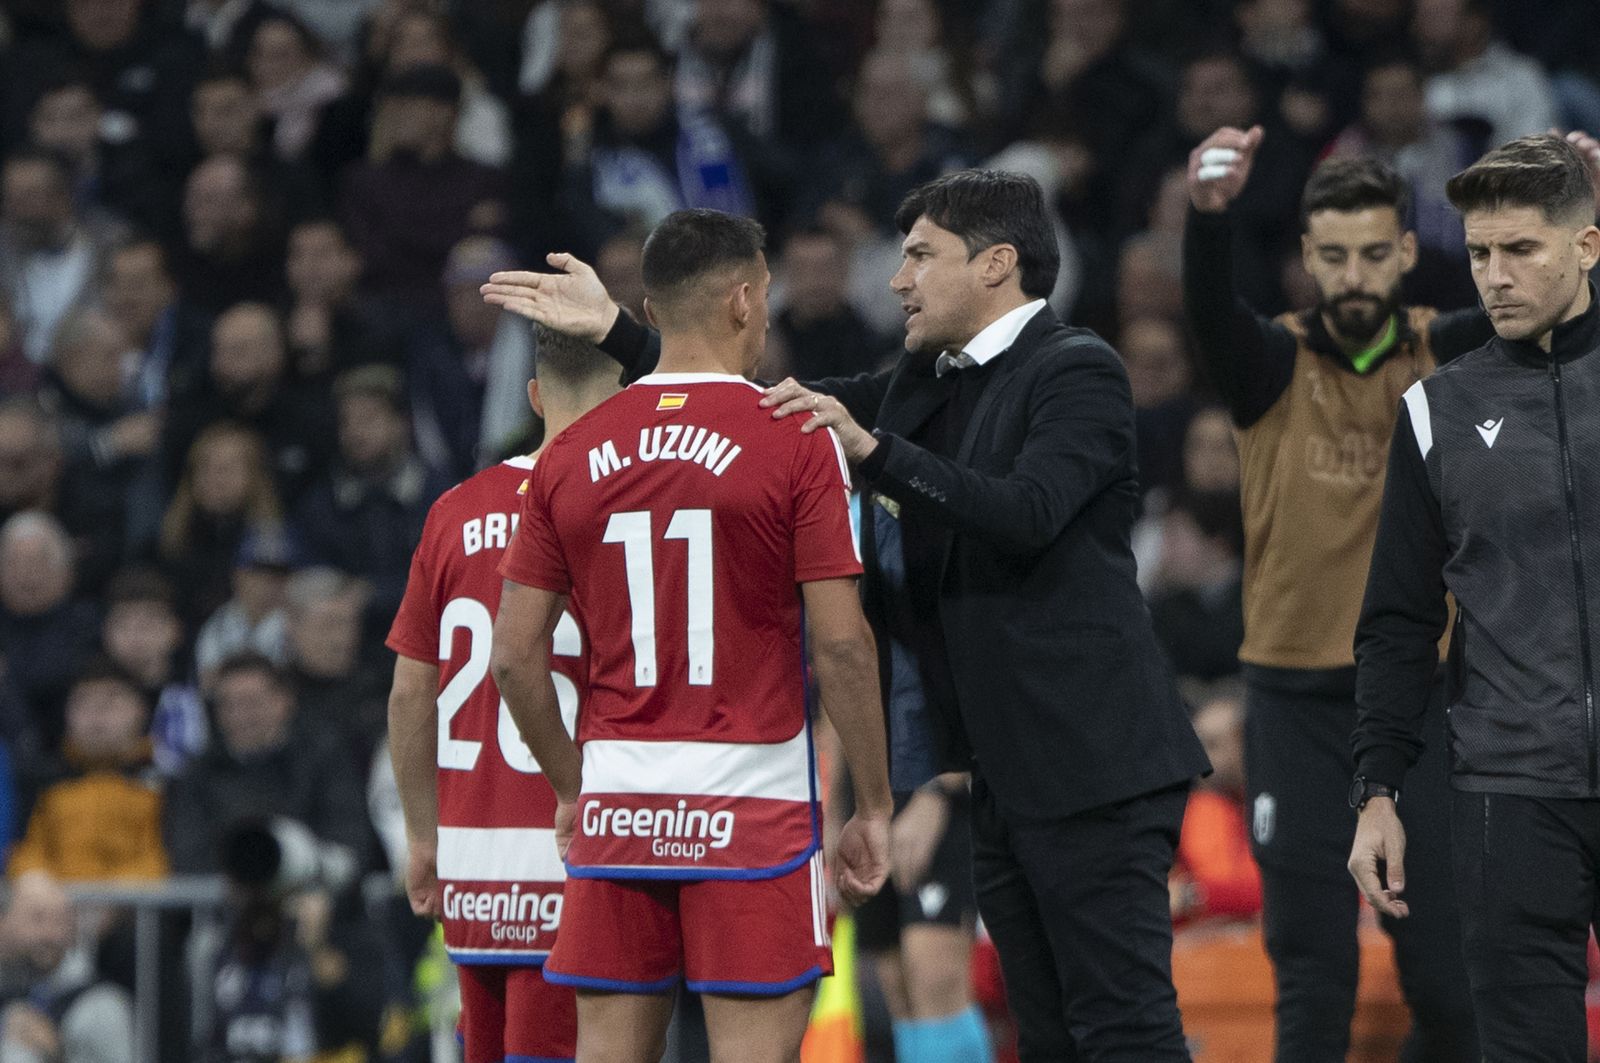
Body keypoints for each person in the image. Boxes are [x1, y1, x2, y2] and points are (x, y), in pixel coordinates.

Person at [484, 172, 1209, 1059]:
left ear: (998, 264)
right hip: (1003, 767)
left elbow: (1027, 512)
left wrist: (874, 450)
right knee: (1050, 1028)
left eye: (919, 256)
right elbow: (749, 402)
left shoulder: (1078, 367)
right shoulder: (924, 379)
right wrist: (630, 334)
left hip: (1094, 759)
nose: (897, 279)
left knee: (1124, 1023)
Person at [489, 208, 892, 1063]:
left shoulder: (569, 452)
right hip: (754, 815)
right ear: (743, 300)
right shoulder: (797, 437)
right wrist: (877, 804)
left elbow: (515, 658)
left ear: (650, 306)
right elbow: (845, 645)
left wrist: (573, 786)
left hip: (621, 810)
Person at [1183, 129, 1492, 1061]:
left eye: (1371, 254)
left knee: (1450, 985)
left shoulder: (1448, 351)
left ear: (1404, 252)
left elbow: (1559, 310)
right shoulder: (1271, 364)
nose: (1353, 276)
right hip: (1295, 702)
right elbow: (1207, 312)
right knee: (1314, 975)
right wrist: (1208, 218)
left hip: (1423, 703)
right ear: (1306, 260)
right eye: (1333, 257)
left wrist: (1589, 213)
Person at [1348, 132, 1600, 1062]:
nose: (1493, 275)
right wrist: (1375, 789)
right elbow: (1398, 620)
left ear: (1587, 245)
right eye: (1482, 252)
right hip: (1507, 794)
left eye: (1521, 249)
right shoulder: (1436, 410)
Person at [385, 325, 622, 1063]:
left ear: (534, 394)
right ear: (627, 403)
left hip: (472, 864)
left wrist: (424, 835)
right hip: (574, 849)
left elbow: (409, 690)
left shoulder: (453, 509)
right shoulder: (618, 515)